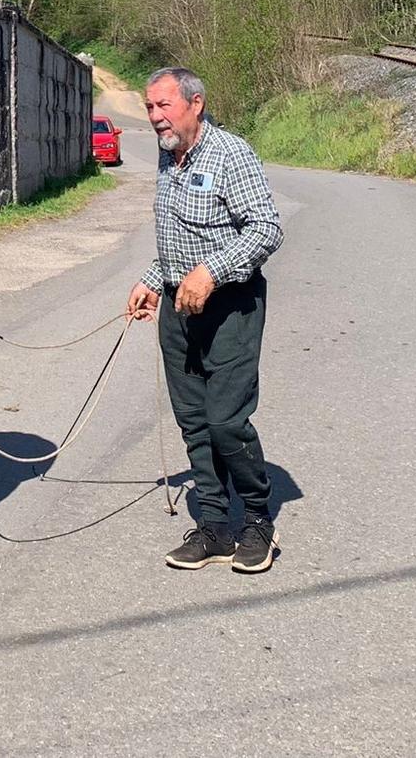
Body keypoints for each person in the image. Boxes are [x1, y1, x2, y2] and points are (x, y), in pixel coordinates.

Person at [125, 66, 285, 573]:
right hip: (178, 307)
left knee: (224, 421)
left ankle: (257, 520)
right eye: (149, 107)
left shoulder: (230, 153)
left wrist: (211, 273)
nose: (154, 117)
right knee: (193, 421)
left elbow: (266, 229)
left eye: (163, 105)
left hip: (230, 306)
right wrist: (154, 277)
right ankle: (214, 527)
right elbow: (177, 234)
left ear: (195, 103)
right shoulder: (168, 154)